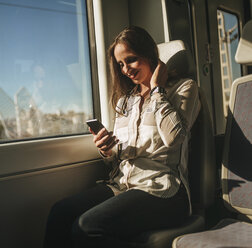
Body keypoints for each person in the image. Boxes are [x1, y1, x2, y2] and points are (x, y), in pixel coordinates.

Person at [43, 26, 200, 248]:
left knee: (87, 228)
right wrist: (107, 149)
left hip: (163, 190)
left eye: (131, 60)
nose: (126, 69)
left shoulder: (185, 88)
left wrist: (157, 90)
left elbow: (174, 139)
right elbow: (120, 155)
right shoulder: (125, 102)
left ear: (149, 55)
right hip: (122, 185)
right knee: (60, 213)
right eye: (120, 64)